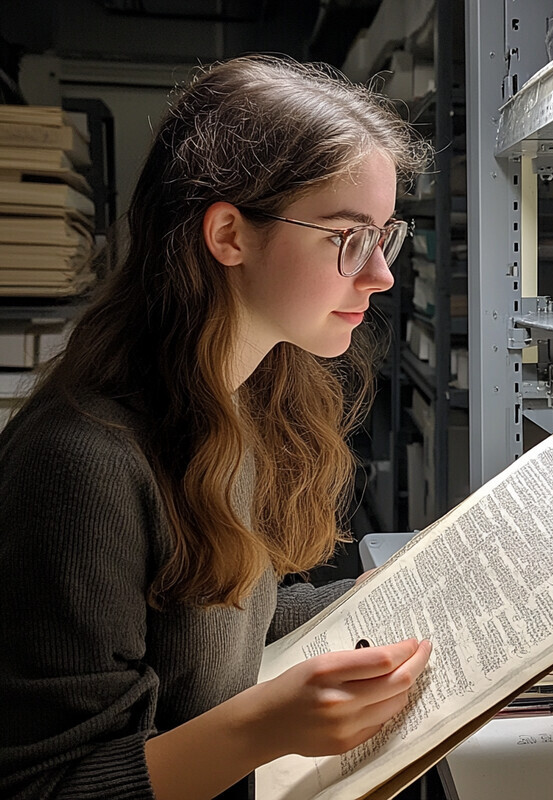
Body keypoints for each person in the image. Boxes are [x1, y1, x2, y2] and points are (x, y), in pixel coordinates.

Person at [0, 55, 433, 800]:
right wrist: (265, 726)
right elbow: (47, 787)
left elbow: (214, 631)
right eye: (346, 238)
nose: (381, 276)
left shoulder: (241, 398)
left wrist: (397, 589)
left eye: (383, 237)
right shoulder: (80, 466)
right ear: (230, 233)